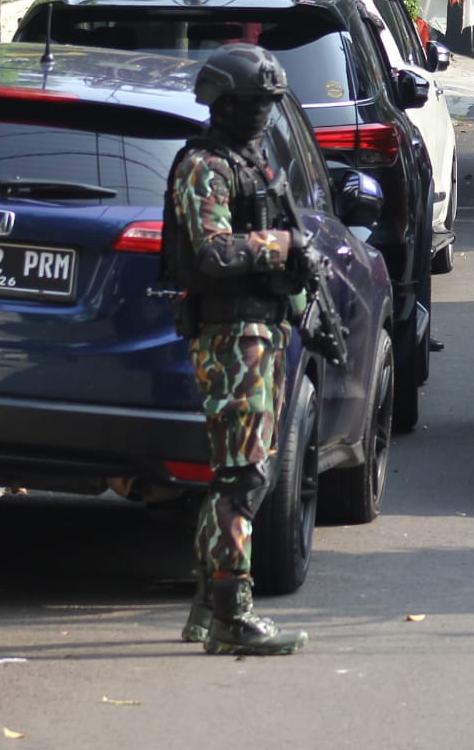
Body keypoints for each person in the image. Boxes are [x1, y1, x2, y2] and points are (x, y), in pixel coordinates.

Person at [163, 43, 309, 656]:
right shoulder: (205, 165)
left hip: (263, 330)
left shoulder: (253, 161)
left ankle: (205, 607)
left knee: (247, 472)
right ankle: (232, 616)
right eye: (254, 103)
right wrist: (282, 246)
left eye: (269, 105)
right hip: (231, 337)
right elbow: (213, 253)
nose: (263, 115)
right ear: (223, 102)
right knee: (243, 477)